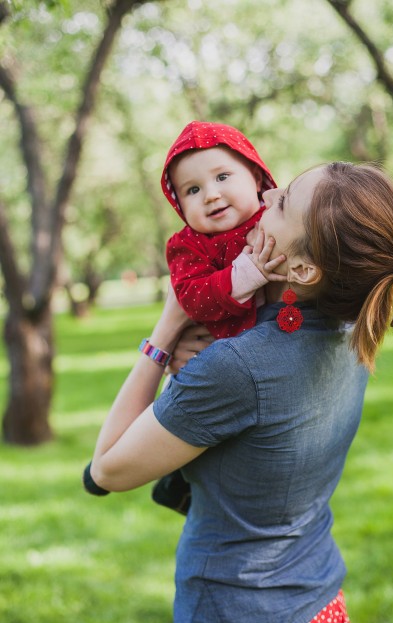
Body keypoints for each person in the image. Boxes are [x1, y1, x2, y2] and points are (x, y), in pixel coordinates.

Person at [83, 162, 393, 623]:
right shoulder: (355, 326)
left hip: (237, 616)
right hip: (316, 602)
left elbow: (107, 470)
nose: (264, 197)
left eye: (282, 202)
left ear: (303, 268)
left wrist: (166, 330)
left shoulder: (238, 368)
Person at [152, 121, 282, 512]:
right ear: (179, 204)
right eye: (192, 190)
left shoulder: (278, 217)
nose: (211, 195)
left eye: (222, 176)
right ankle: (176, 480)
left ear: (256, 175)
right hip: (209, 356)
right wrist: (245, 276)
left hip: (267, 353)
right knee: (185, 411)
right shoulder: (187, 246)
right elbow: (192, 299)